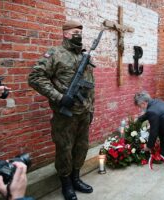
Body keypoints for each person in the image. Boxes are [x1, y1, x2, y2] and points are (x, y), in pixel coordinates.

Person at [28, 20, 94, 200]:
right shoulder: (55, 54)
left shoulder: (84, 56)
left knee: (82, 147)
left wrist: (92, 108)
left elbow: (90, 86)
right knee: (64, 149)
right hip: (65, 115)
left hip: (83, 113)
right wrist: (59, 97)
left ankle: (76, 178)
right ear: (65, 33)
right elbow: (35, 77)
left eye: (80, 31)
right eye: (74, 31)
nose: (78, 34)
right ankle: (66, 183)